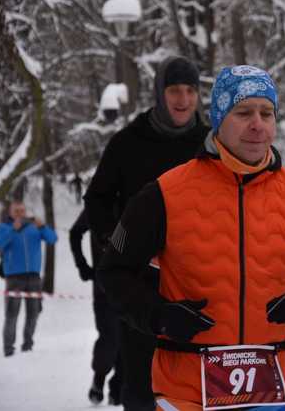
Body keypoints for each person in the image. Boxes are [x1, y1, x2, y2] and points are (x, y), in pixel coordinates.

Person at [97, 65, 285, 411]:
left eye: (266, 113)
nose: (257, 124)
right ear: (218, 118)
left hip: (269, 389)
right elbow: (114, 271)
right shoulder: (165, 193)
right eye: (243, 113)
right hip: (185, 389)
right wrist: (158, 315)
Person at [84, 56, 209, 411]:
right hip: (141, 284)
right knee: (141, 381)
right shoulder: (128, 142)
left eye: (190, 91)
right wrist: (115, 242)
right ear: (159, 92)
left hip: (197, 281)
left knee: (194, 386)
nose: (183, 99)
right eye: (174, 90)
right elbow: (97, 199)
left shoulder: (210, 144)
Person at [69, 208, 122, 405]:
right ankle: (99, 377)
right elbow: (75, 232)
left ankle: (118, 386)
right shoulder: (99, 203)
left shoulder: (139, 197)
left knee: (130, 337)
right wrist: (82, 265)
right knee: (110, 337)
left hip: (135, 285)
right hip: (104, 287)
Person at [0, 200, 57, 357]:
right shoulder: (4, 227)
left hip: (34, 277)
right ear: (10, 212)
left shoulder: (33, 227)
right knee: (11, 314)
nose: (19, 214)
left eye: (22, 211)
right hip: (14, 277)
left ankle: (27, 346)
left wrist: (42, 226)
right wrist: (12, 231)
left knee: (34, 313)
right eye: (16, 211)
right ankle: (9, 349)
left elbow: (52, 239)